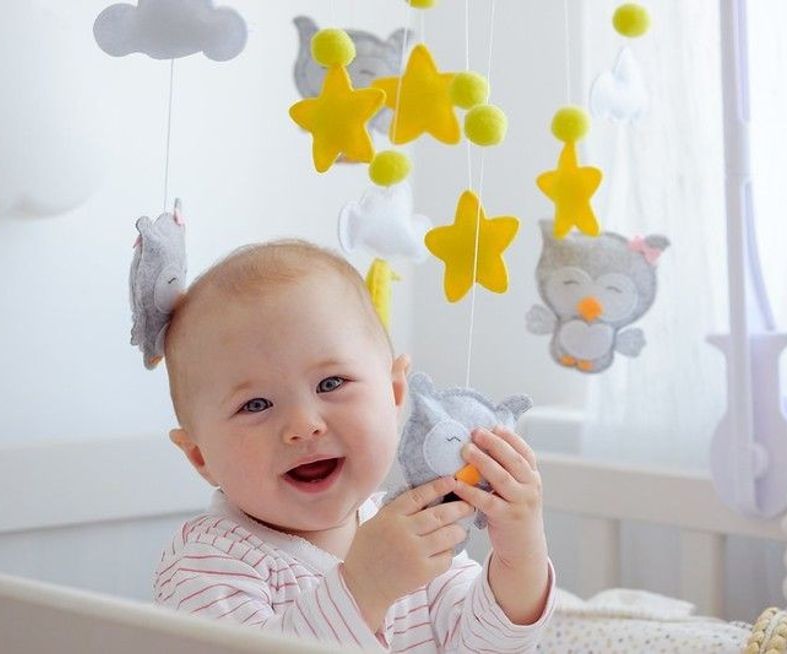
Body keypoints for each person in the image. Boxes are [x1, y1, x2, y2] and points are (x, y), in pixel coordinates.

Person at [153, 239, 554, 651]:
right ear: (200, 456)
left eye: (331, 383)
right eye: (255, 404)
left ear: (395, 393)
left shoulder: (409, 528)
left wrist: (519, 550)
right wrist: (364, 588)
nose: (304, 426)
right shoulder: (207, 565)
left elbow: (486, 644)